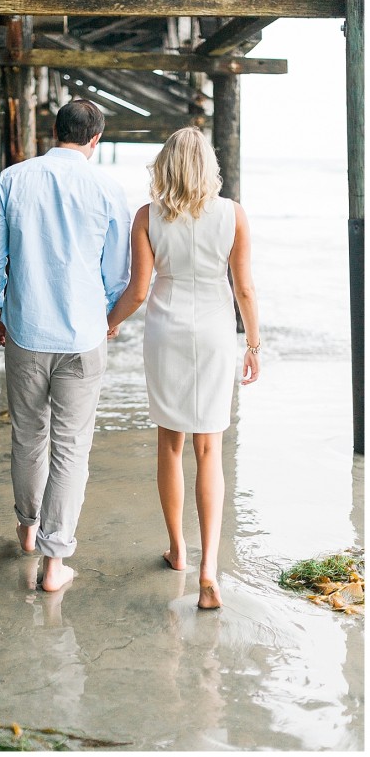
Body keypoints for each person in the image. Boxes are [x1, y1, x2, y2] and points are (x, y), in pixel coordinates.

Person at [0, 100, 131, 592]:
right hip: (84, 337)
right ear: (95, 140)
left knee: (28, 435)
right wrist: (106, 315)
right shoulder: (108, 188)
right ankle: (53, 563)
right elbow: (117, 272)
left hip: (25, 330)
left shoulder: (13, 179)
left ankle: (27, 529)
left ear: (54, 131)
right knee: (71, 449)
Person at [107, 127, 260, 609]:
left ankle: (179, 550)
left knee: (170, 445)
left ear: (165, 165)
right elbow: (245, 289)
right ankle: (210, 566)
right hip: (215, 335)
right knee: (210, 448)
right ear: (208, 165)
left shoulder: (147, 217)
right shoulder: (232, 214)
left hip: (166, 334)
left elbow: (137, 291)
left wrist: (106, 325)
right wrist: (254, 344)